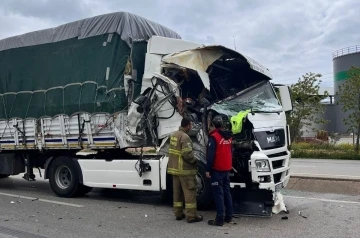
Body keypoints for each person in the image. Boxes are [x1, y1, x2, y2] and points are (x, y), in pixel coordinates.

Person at [167, 117, 203, 223]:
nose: (191, 127)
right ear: (187, 126)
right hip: (185, 170)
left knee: (177, 193)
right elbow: (187, 154)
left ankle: (178, 213)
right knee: (189, 193)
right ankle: (191, 216)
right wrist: (195, 161)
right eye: (190, 125)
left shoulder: (174, 135)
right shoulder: (185, 137)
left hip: (175, 169)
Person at [206, 115, 234, 226]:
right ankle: (229, 217)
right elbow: (231, 151)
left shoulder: (214, 137)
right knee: (227, 193)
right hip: (227, 168)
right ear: (222, 125)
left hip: (217, 170)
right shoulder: (229, 137)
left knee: (218, 194)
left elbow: (211, 155)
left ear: (213, 125)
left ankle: (219, 219)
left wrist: (208, 169)